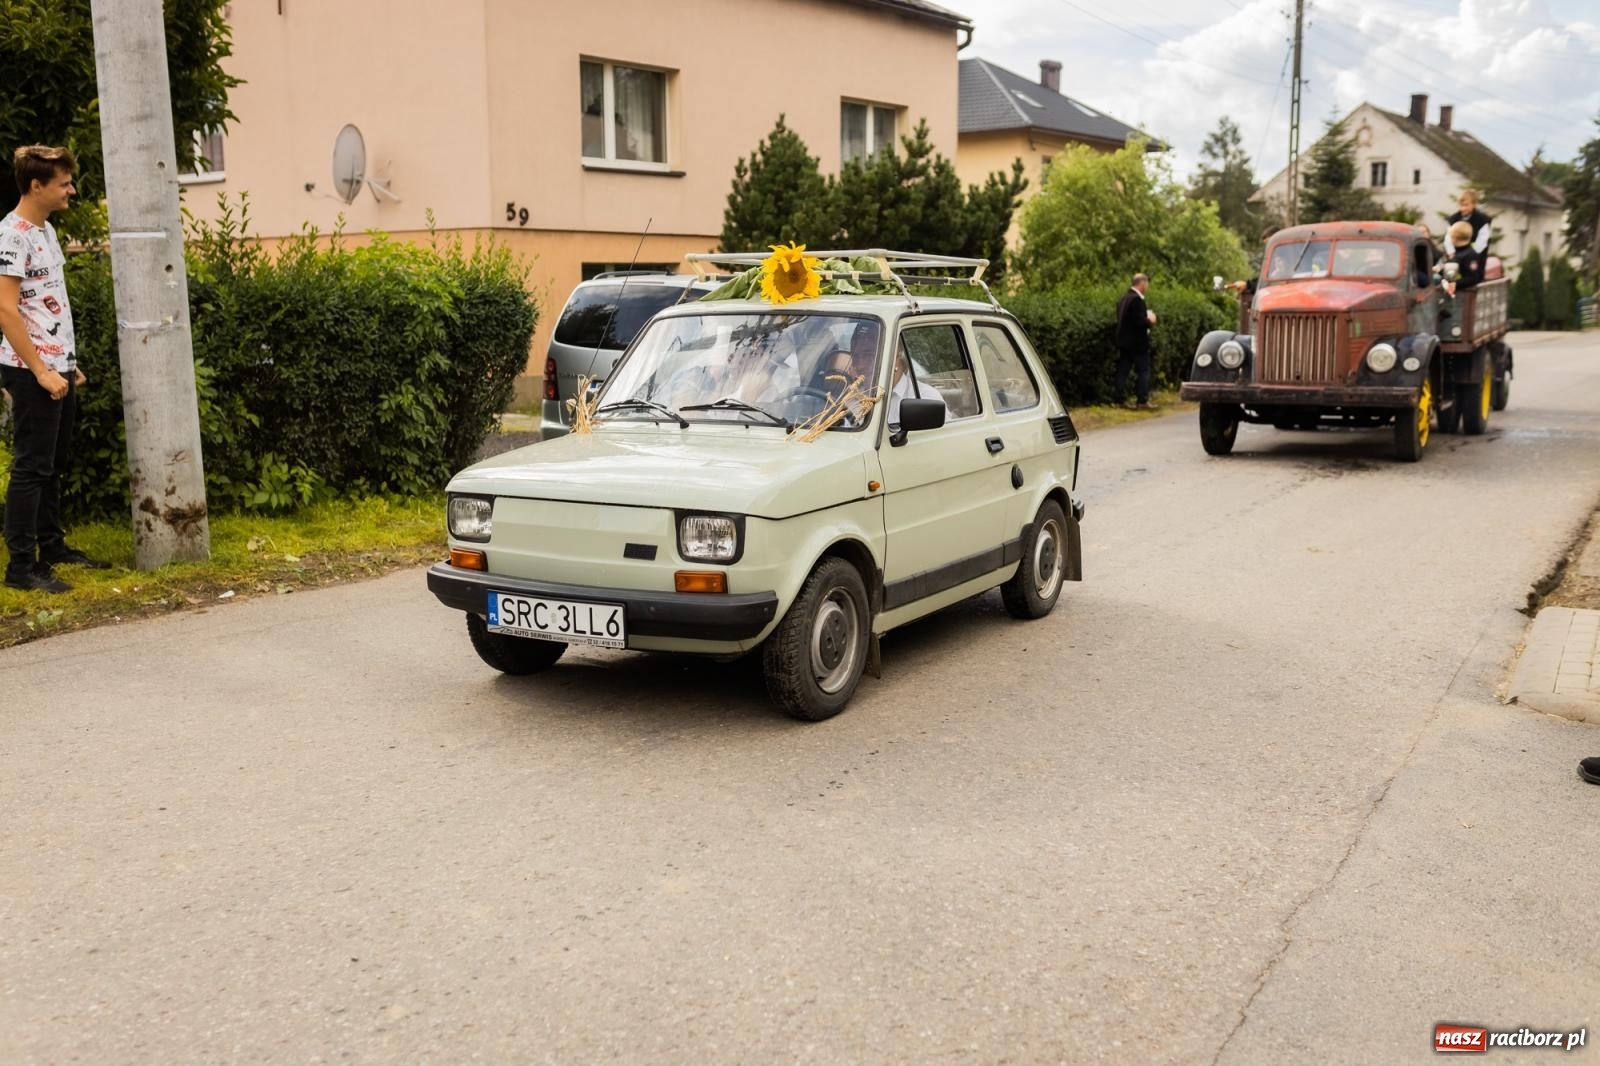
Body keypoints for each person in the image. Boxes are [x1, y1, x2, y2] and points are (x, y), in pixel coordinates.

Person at [0, 145, 111, 593]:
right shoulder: (11, 236)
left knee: (53, 464)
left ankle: (54, 548)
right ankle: (21, 569)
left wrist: (67, 361)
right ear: (36, 186)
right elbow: (6, 311)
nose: (72, 190)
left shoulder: (44, 231)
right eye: (64, 183)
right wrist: (42, 370)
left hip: (56, 364)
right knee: (31, 466)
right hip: (31, 370)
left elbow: (45, 305)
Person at [1113, 272, 1157, 410]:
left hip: (1123, 342)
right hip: (1137, 344)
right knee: (1143, 371)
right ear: (1142, 283)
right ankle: (1142, 400)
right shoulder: (1136, 300)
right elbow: (1138, 322)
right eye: (1147, 283)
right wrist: (1150, 320)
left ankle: (1119, 399)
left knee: (1123, 371)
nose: (1147, 286)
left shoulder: (1123, 299)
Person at [1444, 188, 1491, 257]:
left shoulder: (1482, 220)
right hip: (1455, 256)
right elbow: (1448, 239)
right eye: (1461, 205)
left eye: (1466, 205)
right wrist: (1452, 254)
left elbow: (1482, 241)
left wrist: (1470, 255)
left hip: (1475, 257)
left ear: (1474, 204)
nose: (1463, 208)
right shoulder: (1453, 219)